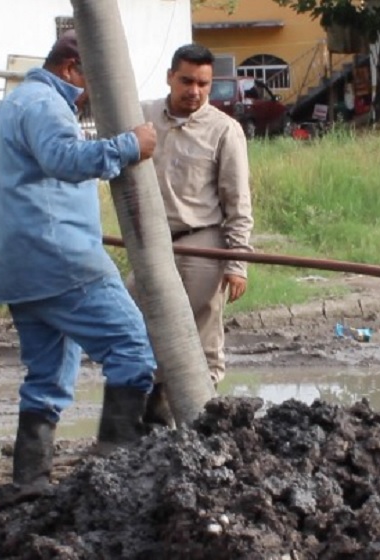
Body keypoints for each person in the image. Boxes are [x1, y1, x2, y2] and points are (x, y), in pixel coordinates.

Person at [0, 31, 159, 505]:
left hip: (20, 268)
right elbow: (63, 157)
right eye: (93, 84)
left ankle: (29, 483)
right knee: (134, 351)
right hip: (62, 259)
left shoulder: (13, 104)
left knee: (48, 378)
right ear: (71, 69)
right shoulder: (44, 105)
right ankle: (117, 467)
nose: (91, 98)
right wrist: (128, 145)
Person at [136, 44, 253, 425]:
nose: (195, 91)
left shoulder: (224, 130)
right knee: (144, 325)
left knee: (201, 330)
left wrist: (237, 262)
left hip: (203, 242)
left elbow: (237, 202)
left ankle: (202, 416)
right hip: (151, 241)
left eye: (203, 83)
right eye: (186, 81)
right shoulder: (144, 115)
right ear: (170, 76)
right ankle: (153, 416)